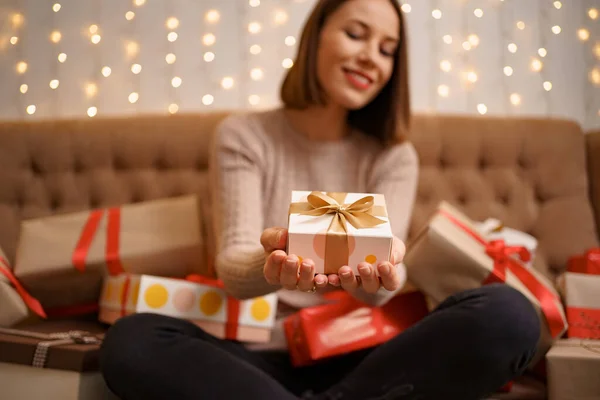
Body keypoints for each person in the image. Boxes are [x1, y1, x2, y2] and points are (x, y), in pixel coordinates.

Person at [99, 1, 541, 399]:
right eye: (356, 33)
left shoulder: (392, 155)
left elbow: (384, 285)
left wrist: (378, 276)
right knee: (131, 341)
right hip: (254, 361)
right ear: (316, 38)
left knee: (511, 314)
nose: (372, 56)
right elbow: (232, 269)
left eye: (388, 49)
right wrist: (273, 262)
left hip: (365, 357)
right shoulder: (244, 135)